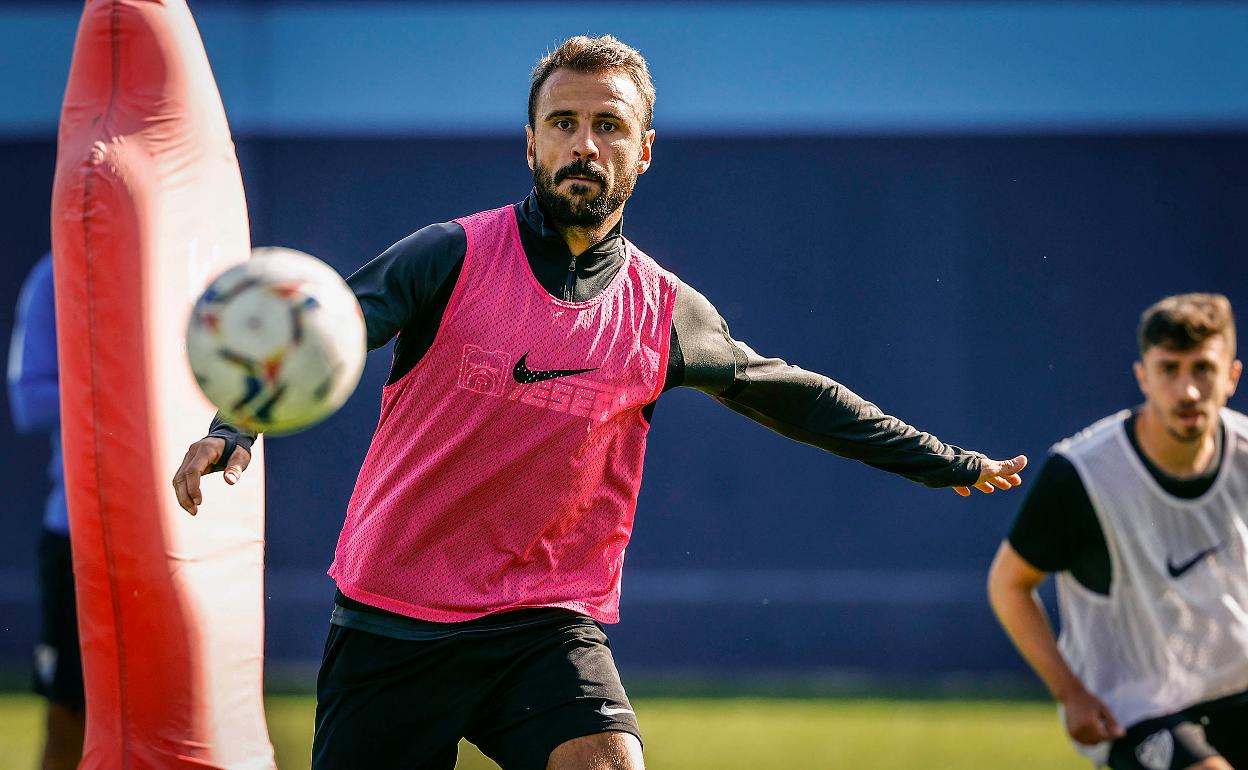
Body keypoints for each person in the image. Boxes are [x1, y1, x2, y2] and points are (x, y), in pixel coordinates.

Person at [173, 35, 1027, 770]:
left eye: (608, 126)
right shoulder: (449, 257)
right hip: (394, 622)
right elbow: (326, 331)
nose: (585, 145)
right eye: (565, 124)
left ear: (643, 149)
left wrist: (944, 461)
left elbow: (794, 397)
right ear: (532, 145)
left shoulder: (663, 312)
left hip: (541, 624)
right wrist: (235, 424)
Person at [988, 293, 1248, 770]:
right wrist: (1070, 693)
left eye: (1203, 369)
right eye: (1169, 369)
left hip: (1237, 685)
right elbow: (1008, 584)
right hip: (1137, 707)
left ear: (1231, 376)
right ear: (1143, 376)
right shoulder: (1083, 473)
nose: (1187, 390)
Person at [8, 252, 86, 770]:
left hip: (188, 533)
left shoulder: (190, 254)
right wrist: (124, 389)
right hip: (76, 534)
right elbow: (28, 400)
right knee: (69, 715)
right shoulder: (56, 275)